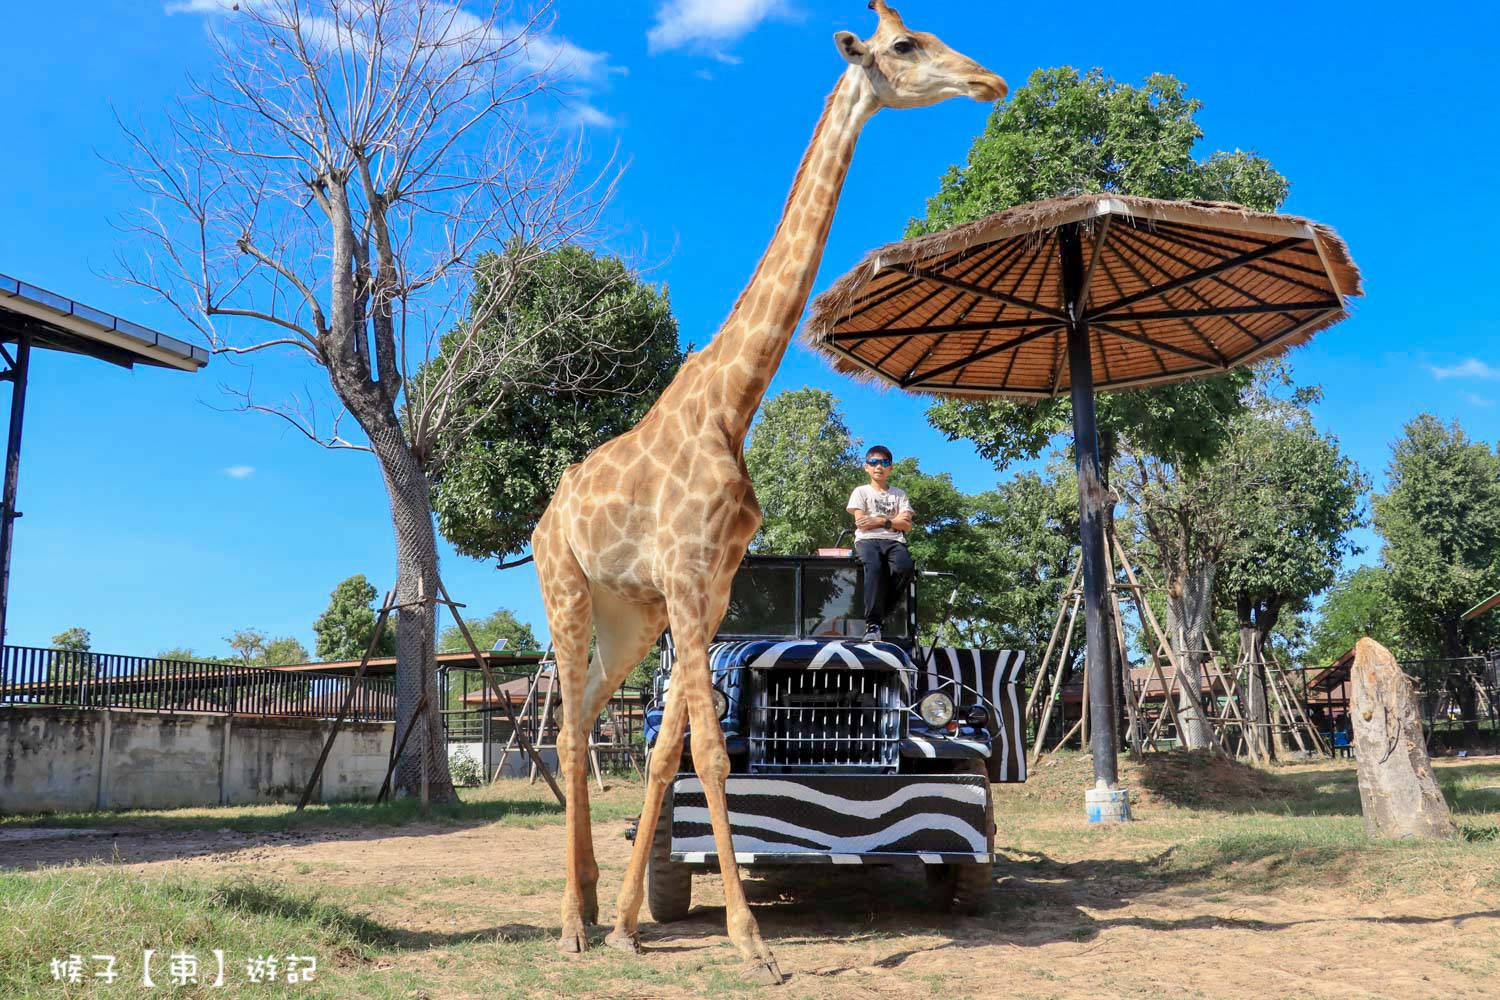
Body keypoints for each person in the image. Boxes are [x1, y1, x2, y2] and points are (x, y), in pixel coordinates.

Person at [846, 445, 915, 642]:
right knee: (874, 567)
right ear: (866, 467)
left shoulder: (899, 494)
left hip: (894, 541)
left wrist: (879, 520)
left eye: (884, 462)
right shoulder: (861, 492)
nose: (879, 466)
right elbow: (861, 522)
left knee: (905, 568)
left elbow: (907, 525)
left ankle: (885, 609)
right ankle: (873, 623)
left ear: (891, 468)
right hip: (867, 541)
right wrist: (893, 521)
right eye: (874, 462)